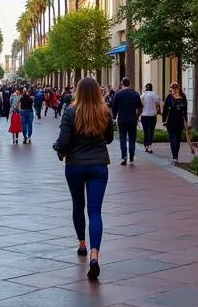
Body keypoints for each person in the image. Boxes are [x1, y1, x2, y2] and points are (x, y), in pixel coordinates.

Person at [53, 77, 113, 281]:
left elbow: (63, 141)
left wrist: (59, 150)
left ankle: (82, 245)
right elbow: (110, 138)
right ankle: (95, 255)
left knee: (78, 205)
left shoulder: (70, 111)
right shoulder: (104, 111)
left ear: (78, 91)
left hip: (75, 166)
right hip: (98, 165)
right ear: (97, 91)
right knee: (95, 211)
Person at [111, 77, 142, 166]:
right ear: (129, 83)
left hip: (121, 120)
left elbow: (114, 107)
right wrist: (137, 116)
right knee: (132, 139)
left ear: (121, 83)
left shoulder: (118, 94)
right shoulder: (135, 94)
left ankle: (124, 157)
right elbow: (140, 107)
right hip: (132, 119)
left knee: (123, 138)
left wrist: (114, 117)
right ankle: (131, 157)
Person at [162, 82, 189, 165]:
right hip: (180, 121)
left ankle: (175, 158)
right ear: (179, 88)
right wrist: (186, 122)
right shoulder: (183, 97)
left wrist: (163, 120)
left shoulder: (169, 97)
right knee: (177, 140)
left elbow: (165, 110)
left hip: (171, 121)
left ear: (171, 88)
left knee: (173, 139)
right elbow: (185, 111)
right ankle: (175, 157)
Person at [140, 83, 161, 154]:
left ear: (146, 88)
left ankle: (146, 145)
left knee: (146, 131)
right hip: (152, 115)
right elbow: (158, 102)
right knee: (151, 131)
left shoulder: (143, 95)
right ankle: (149, 145)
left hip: (144, 116)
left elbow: (140, 103)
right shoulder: (154, 94)